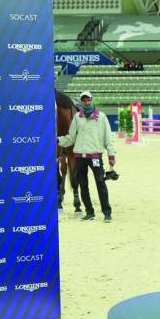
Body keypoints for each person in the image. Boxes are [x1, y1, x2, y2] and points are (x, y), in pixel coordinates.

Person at [57, 90, 116, 222]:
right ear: (81, 102)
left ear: (91, 100)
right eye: (84, 100)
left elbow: (108, 139)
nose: (86, 102)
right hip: (80, 157)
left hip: (95, 156)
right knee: (83, 185)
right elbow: (71, 138)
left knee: (100, 183)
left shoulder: (101, 117)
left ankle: (107, 212)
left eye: (88, 99)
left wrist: (111, 155)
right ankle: (89, 212)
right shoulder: (77, 118)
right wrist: (58, 140)